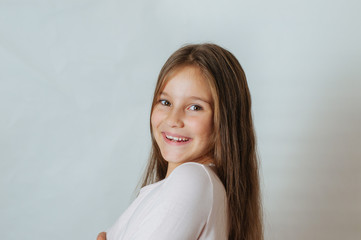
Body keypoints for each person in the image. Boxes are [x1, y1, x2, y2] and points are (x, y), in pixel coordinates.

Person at [97, 43, 263, 240]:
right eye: (165, 102)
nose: (173, 120)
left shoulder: (192, 180)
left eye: (195, 107)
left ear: (225, 120)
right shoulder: (184, 186)